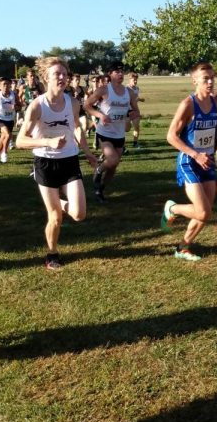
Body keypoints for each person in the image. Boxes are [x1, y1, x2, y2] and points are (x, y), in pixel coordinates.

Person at [15, 56, 98, 270]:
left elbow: (77, 128)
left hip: (69, 161)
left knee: (79, 214)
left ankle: (58, 203)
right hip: (45, 163)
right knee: (55, 218)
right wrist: (47, 141)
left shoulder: (73, 102)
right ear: (46, 78)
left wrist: (87, 152)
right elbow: (20, 141)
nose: (62, 77)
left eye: (64, 73)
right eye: (57, 74)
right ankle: (52, 253)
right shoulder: (37, 106)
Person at [161, 62, 217, 261]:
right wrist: (195, 155)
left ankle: (182, 248)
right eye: (205, 79)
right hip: (189, 161)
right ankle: (172, 208)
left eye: (212, 78)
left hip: (207, 162)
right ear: (195, 81)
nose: (210, 82)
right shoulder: (188, 104)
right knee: (202, 211)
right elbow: (171, 136)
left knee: (205, 213)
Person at [85, 62, 139, 202]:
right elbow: (87, 105)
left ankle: (100, 190)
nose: (120, 74)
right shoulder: (103, 90)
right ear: (110, 74)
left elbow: (136, 110)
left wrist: (133, 113)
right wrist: (100, 115)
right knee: (113, 159)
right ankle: (98, 169)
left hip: (119, 134)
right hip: (105, 132)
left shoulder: (130, 92)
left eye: (122, 71)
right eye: (116, 71)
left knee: (113, 167)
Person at [0, 77, 18, 163]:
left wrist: (15, 106)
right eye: (4, 84)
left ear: (10, 85)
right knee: (8, 135)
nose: (6, 86)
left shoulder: (14, 94)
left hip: (10, 119)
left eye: (8, 84)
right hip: (0, 118)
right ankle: (4, 153)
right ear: (0, 86)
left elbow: (19, 104)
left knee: (3, 138)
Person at [126, 72, 144, 149]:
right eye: (134, 80)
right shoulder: (125, 89)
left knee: (136, 127)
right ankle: (120, 144)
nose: (135, 81)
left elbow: (135, 98)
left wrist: (140, 99)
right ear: (130, 79)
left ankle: (135, 143)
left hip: (135, 110)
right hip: (127, 111)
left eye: (136, 80)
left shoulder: (137, 88)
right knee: (126, 129)